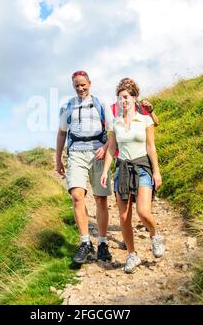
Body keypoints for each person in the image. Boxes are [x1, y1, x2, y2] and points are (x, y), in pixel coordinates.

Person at [100, 78, 165, 274]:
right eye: (120, 98)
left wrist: (156, 171)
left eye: (126, 97)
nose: (123, 101)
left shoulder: (145, 119)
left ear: (134, 98)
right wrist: (105, 171)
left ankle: (155, 236)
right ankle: (132, 255)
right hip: (122, 169)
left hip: (143, 167)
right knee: (124, 216)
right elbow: (112, 149)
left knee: (143, 212)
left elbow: (150, 146)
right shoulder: (115, 123)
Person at [56, 70, 114, 264]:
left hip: (98, 152)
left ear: (90, 83)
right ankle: (85, 242)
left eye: (83, 84)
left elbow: (112, 133)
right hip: (76, 154)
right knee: (76, 196)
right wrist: (58, 159)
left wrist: (105, 148)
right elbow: (62, 134)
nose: (80, 88)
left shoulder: (101, 104)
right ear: (73, 86)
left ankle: (103, 243)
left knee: (100, 198)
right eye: (76, 85)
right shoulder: (68, 107)